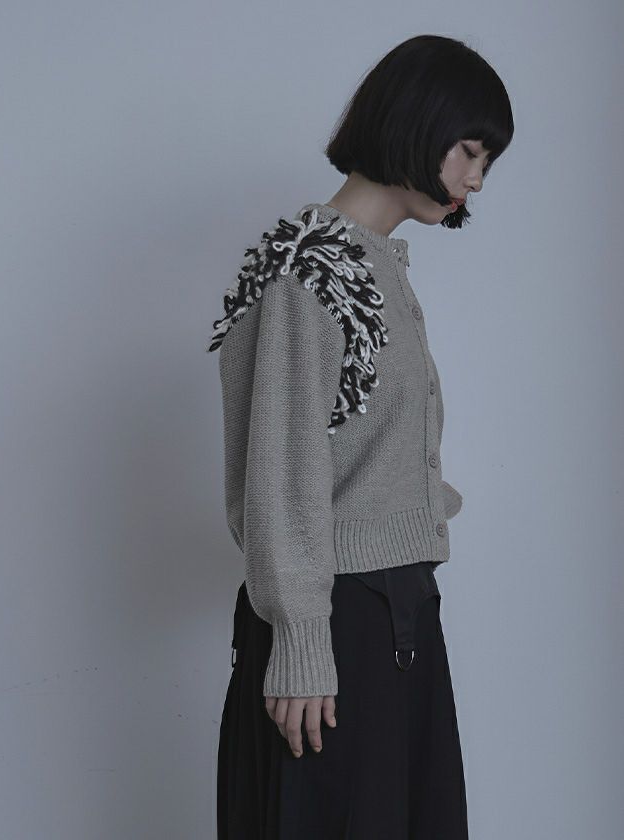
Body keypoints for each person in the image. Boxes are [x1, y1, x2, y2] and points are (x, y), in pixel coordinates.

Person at [207, 33, 514, 839]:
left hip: (394, 607)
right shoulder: (311, 266)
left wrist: (419, 506)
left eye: (487, 161)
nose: (476, 179)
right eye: (469, 151)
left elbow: (359, 445)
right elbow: (282, 468)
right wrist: (302, 641)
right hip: (338, 617)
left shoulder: (372, 264)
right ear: (416, 122)